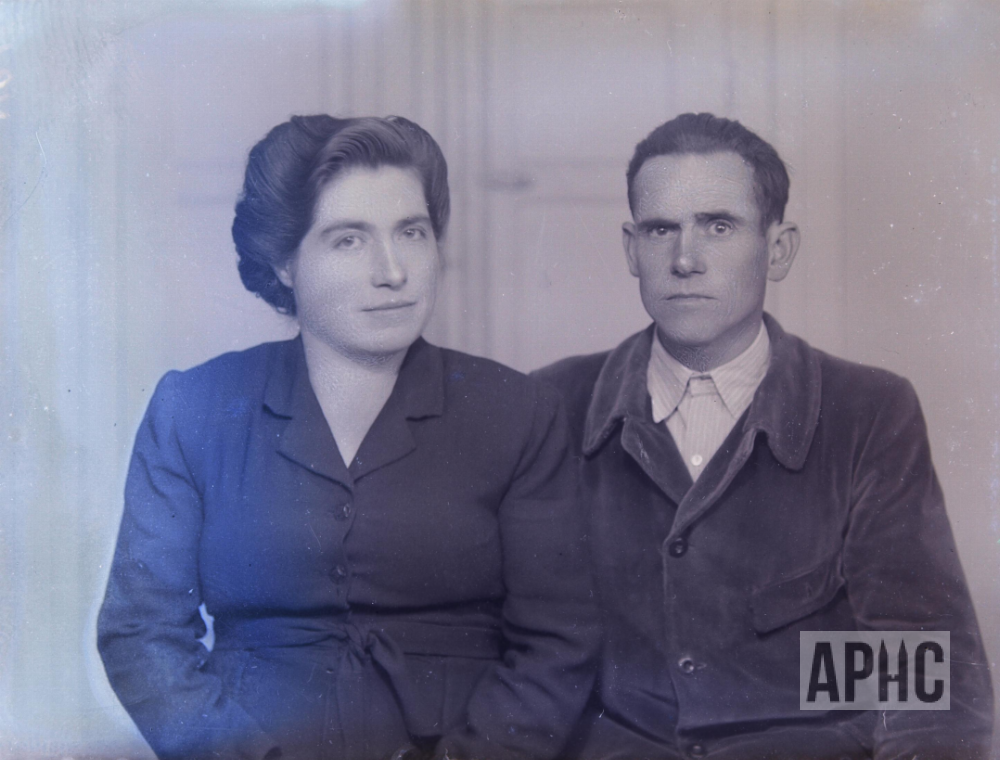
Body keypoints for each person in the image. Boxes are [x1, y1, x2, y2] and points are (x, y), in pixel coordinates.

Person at [97, 115, 599, 760]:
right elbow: (141, 633)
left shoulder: (517, 412)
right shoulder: (194, 409)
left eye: (411, 233)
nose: (393, 272)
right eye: (349, 240)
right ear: (284, 262)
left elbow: (560, 641)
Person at [535, 113, 993, 759]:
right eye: (661, 229)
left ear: (778, 250)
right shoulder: (552, 407)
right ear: (631, 249)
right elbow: (518, 663)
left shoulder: (867, 413)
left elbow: (921, 680)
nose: (685, 260)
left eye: (718, 226)